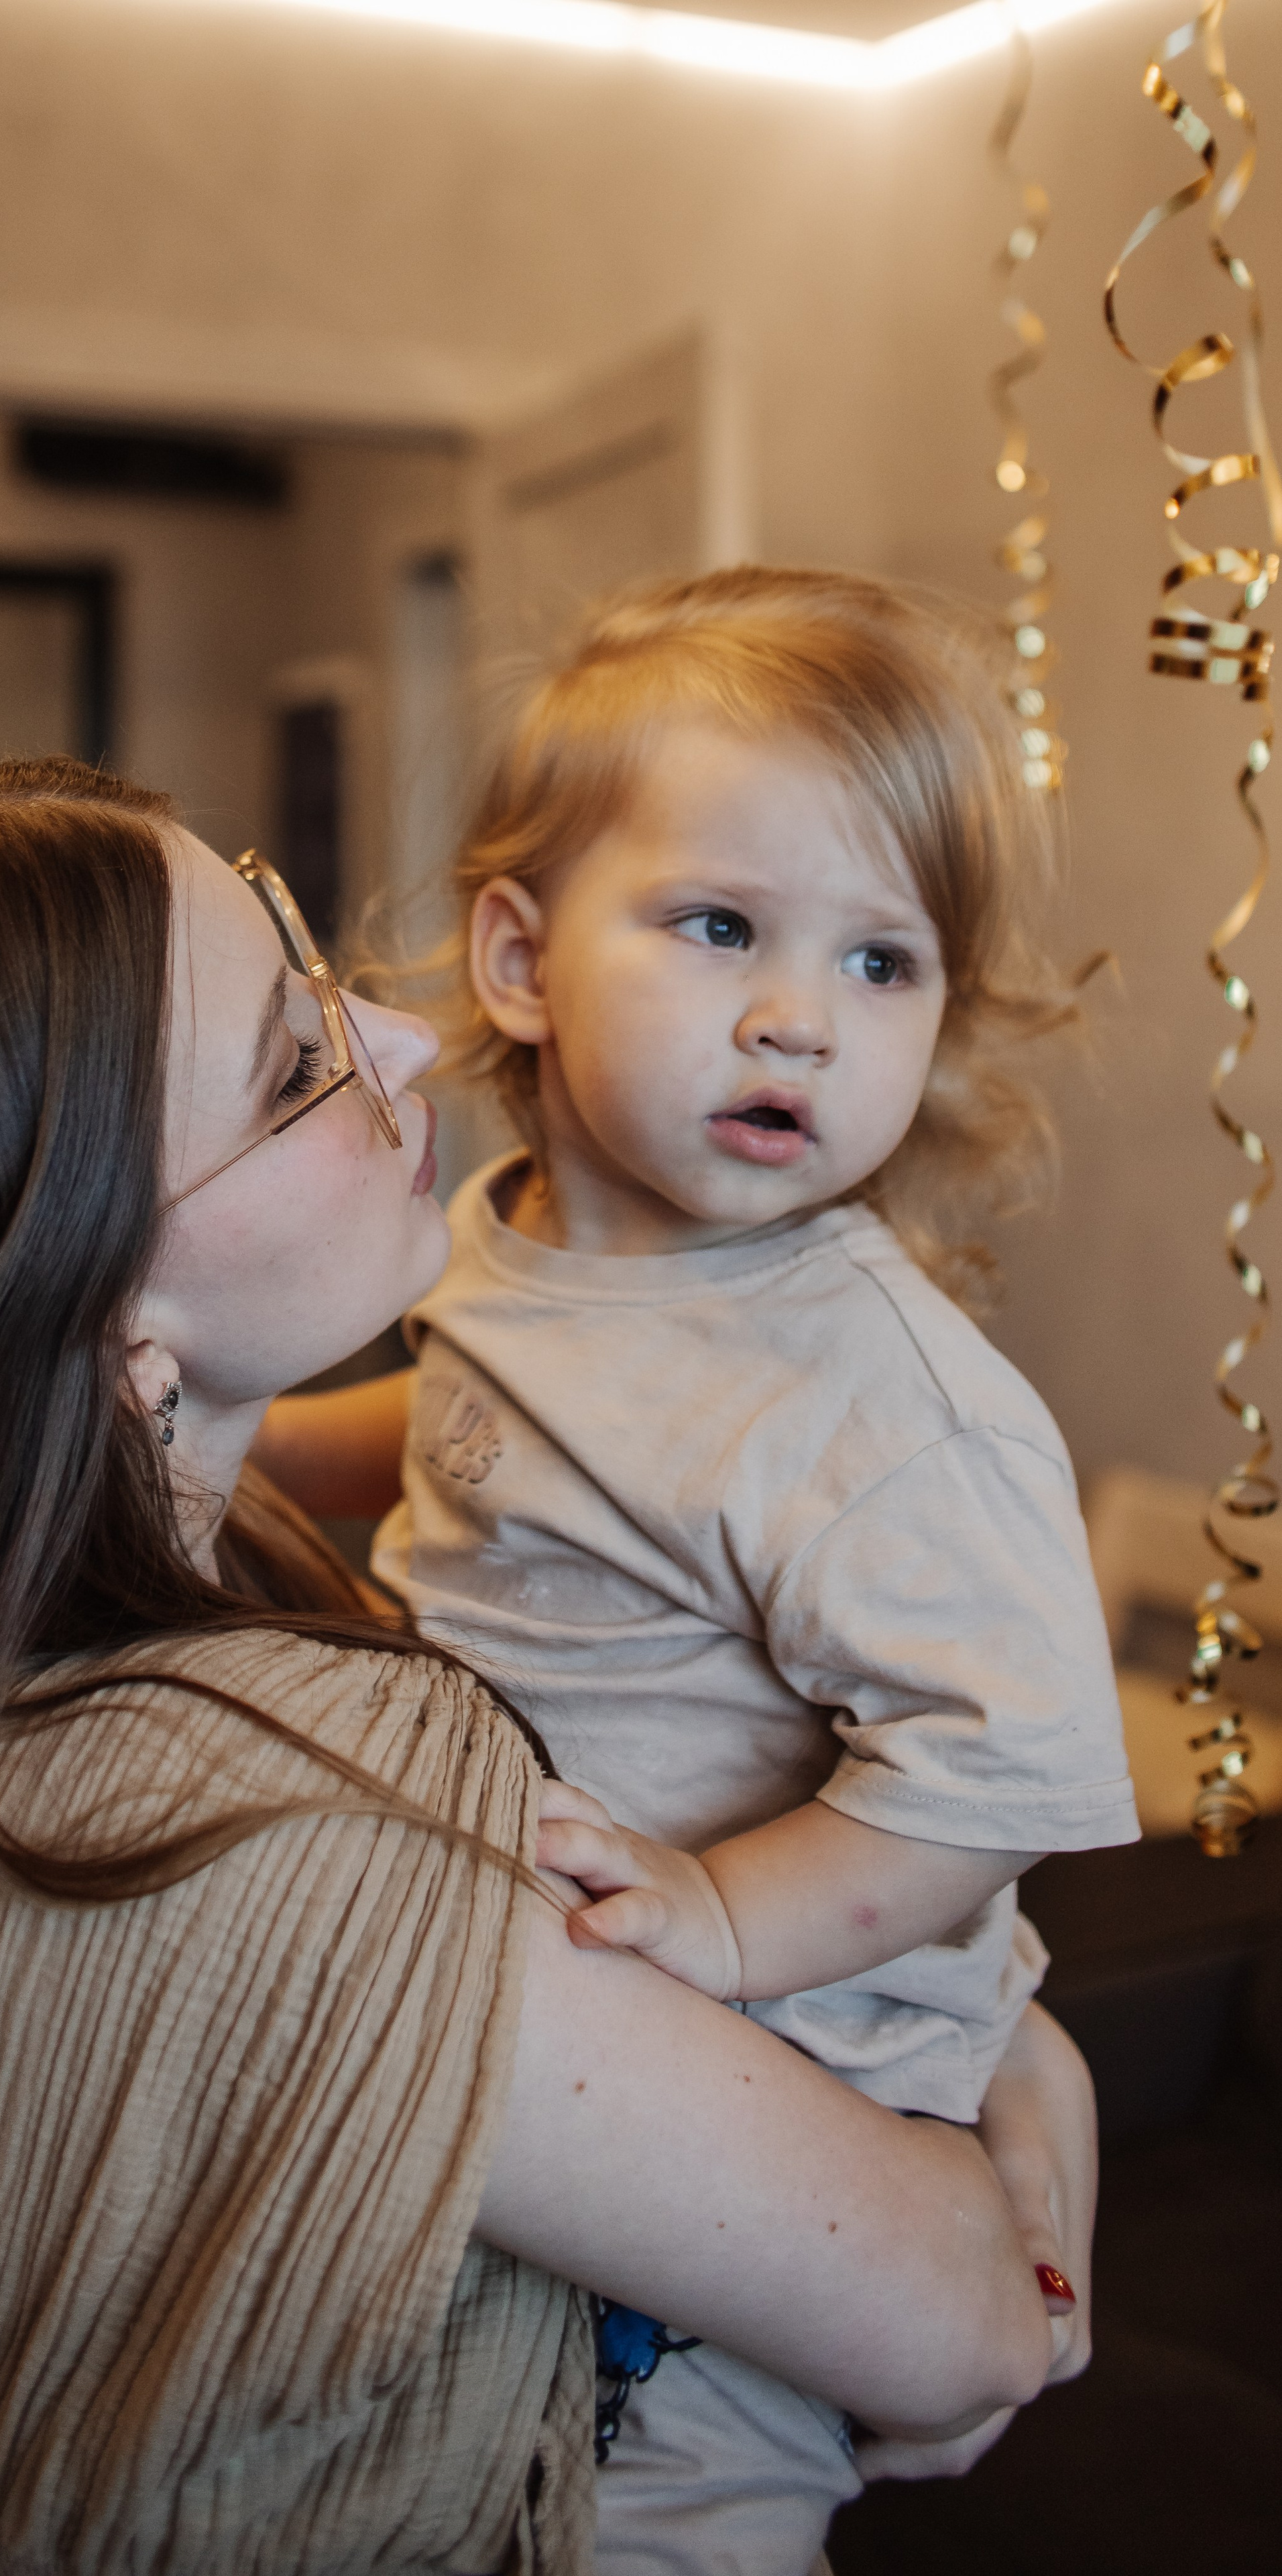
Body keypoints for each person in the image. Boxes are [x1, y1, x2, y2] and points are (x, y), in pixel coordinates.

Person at [0, 759, 1090, 2576]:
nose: (397, 1038)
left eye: (315, 968)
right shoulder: (294, 1848)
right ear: (105, 1326)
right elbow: (968, 2331)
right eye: (294, 1062)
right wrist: (1011, 2091)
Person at [256, 570, 1137, 2575]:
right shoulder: (519, 1241)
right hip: (581, 2042)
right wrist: (247, 1460)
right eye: (722, 922)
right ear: (518, 955)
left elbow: (994, 1774)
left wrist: (724, 1918)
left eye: (883, 961)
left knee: (660, 2520)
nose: (797, 1016)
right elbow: (509, 1453)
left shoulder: (877, 1398)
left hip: (788, 2073)